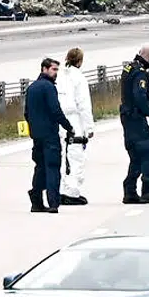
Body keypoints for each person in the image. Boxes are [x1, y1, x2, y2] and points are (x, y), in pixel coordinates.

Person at [24, 57, 74, 213]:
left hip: (36, 135)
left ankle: (36, 202)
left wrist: (34, 126)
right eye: (53, 69)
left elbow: (26, 113)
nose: (56, 73)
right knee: (52, 167)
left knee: (40, 168)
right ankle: (53, 203)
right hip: (50, 135)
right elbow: (55, 111)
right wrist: (68, 126)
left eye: (57, 70)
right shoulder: (48, 87)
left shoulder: (31, 88)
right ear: (44, 69)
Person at [119, 44, 149, 204]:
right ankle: (147, 189)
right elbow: (140, 97)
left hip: (127, 118)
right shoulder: (140, 74)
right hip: (136, 119)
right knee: (148, 154)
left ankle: (130, 191)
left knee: (136, 157)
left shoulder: (128, 68)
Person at [56, 47, 95, 205]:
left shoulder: (59, 75)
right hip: (74, 119)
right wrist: (89, 128)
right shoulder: (79, 78)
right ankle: (71, 192)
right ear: (80, 61)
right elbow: (84, 105)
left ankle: (60, 189)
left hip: (59, 120)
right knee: (75, 156)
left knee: (61, 157)